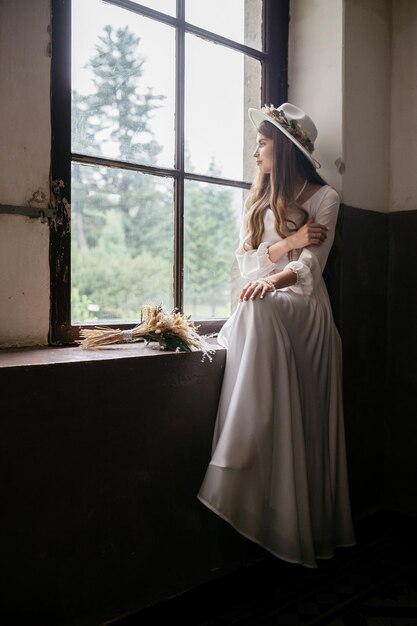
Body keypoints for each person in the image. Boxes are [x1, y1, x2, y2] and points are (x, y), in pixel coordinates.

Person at [197, 102, 356, 568]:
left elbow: (310, 269)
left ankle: (238, 454)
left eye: (262, 143)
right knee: (253, 309)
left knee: (256, 307)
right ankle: (245, 453)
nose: (255, 152)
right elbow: (246, 264)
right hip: (268, 303)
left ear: (283, 149)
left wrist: (273, 276)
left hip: (306, 310)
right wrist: (287, 244)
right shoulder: (259, 198)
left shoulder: (326, 197)